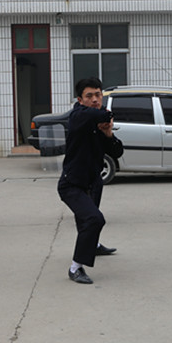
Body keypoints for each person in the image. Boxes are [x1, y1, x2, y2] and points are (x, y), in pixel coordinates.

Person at [58, 77, 124, 285]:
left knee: (85, 221)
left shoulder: (99, 121)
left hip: (93, 182)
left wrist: (108, 133)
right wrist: (106, 115)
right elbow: (103, 114)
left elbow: (117, 151)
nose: (95, 99)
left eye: (98, 95)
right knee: (95, 219)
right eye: (89, 96)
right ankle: (75, 268)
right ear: (80, 100)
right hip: (71, 184)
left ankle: (93, 246)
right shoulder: (78, 116)